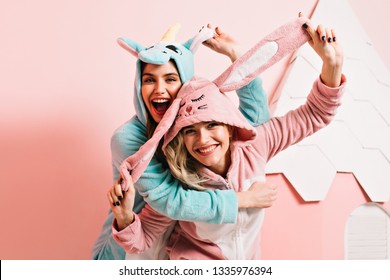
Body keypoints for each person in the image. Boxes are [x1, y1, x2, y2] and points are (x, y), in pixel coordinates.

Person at [108, 17, 346, 259]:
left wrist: (332, 64)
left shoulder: (257, 145)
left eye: (212, 125)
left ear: (230, 125)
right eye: (190, 130)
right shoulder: (181, 180)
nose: (203, 139)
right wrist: (125, 217)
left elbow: (315, 114)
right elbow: (141, 239)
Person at [92, 23, 271, 260]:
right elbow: (170, 200)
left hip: (178, 249)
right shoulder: (128, 139)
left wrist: (237, 56)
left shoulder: (192, 129)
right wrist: (242, 200)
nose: (159, 89)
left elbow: (256, 124)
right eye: (149, 80)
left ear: (186, 82)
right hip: (132, 249)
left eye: (170, 79)